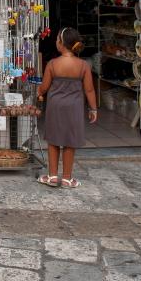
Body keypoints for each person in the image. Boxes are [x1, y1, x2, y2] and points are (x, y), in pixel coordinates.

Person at [36, 27, 97, 188]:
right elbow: (89, 89)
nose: (56, 42)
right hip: (74, 108)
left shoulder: (53, 64)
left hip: (55, 107)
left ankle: (52, 176)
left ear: (62, 44)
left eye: (57, 39)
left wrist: (39, 91)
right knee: (70, 142)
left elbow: (45, 87)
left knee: (53, 140)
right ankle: (67, 178)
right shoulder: (83, 65)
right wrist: (93, 109)